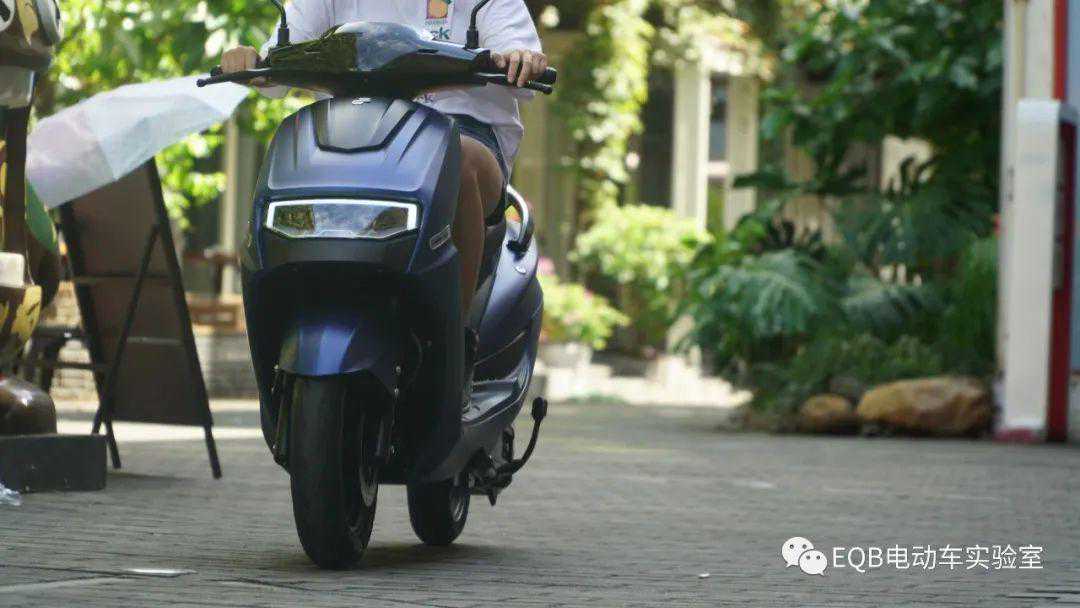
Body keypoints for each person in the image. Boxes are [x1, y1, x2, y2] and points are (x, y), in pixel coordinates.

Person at [220, 0, 547, 317]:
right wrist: (248, 60)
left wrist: (520, 57)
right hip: (353, 128)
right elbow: (272, 63)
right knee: (293, 147)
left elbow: (516, 53)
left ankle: (456, 337)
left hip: (463, 131)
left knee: (454, 158)